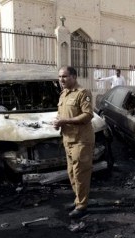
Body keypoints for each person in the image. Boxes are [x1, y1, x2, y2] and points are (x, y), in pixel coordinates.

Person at [53, 66, 95, 219]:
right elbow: (61, 114)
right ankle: (78, 199)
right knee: (71, 173)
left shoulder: (82, 93)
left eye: (64, 76)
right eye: (59, 77)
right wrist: (58, 121)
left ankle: (82, 206)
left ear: (74, 77)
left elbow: (88, 115)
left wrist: (66, 120)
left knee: (80, 173)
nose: (61, 80)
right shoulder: (63, 94)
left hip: (81, 140)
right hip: (68, 139)